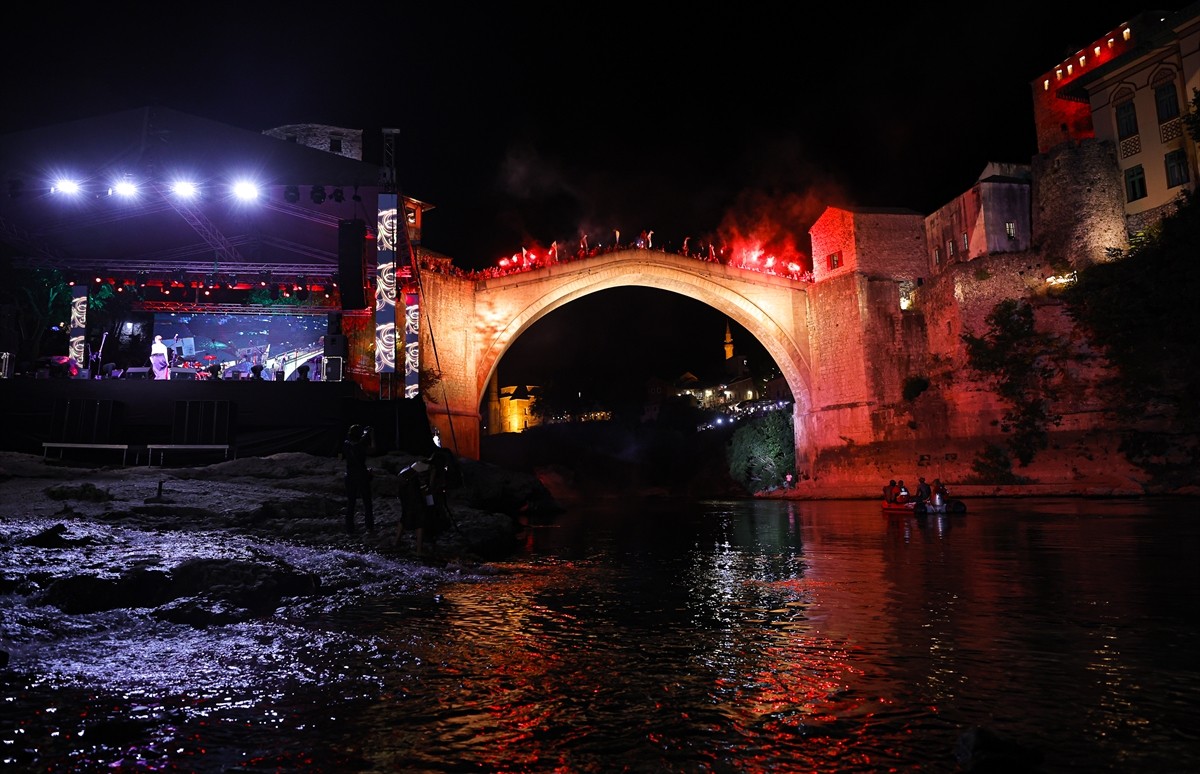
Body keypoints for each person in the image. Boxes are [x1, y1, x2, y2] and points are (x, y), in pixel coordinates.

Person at [342, 424, 374, 533]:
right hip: (361, 475)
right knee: (367, 502)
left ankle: (349, 529)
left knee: (351, 502)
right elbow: (373, 450)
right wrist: (371, 436)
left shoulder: (346, 444)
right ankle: (369, 527)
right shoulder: (361, 446)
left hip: (350, 475)